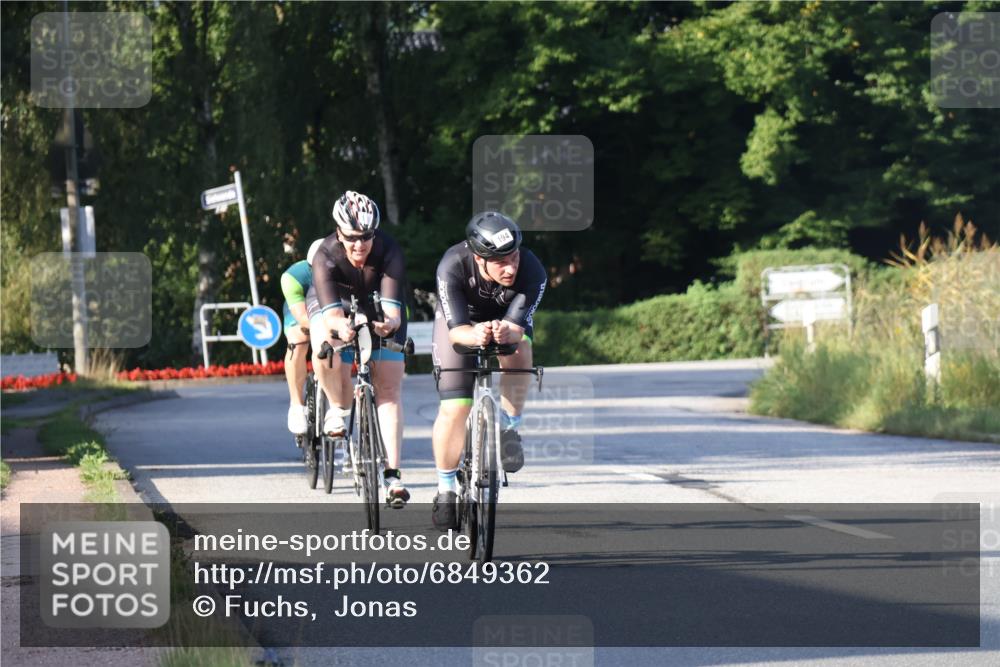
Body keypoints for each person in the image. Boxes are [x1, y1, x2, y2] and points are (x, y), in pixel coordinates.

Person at [430, 211, 546, 529]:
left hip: (506, 319)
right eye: (500, 262)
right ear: (479, 259)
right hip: (460, 321)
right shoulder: (452, 265)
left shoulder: (533, 270)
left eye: (513, 257)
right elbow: (456, 333)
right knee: (455, 406)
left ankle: (509, 425)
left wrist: (506, 331)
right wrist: (475, 334)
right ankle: (446, 487)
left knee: (521, 348)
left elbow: (516, 327)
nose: (510, 268)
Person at [310, 191, 410, 507]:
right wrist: (343, 328)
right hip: (334, 303)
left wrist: (387, 326)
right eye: (352, 237)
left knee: (389, 390)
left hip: (378, 303)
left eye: (367, 236)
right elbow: (332, 319)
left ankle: (392, 474)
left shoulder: (388, 249)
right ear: (339, 233)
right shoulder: (325, 255)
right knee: (325, 343)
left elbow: (393, 313)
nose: (360, 244)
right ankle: (339, 408)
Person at [281, 238, 324, 435]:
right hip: (301, 310)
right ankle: (296, 405)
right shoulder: (294, 277)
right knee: (298, 340)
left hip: (327, 306)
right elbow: (303, 318)